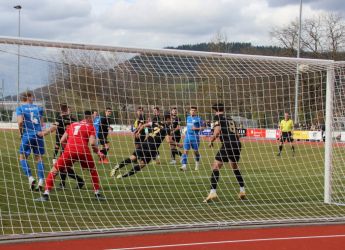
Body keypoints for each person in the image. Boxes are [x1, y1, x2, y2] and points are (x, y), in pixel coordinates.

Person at [35, 111, 106, 202]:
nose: (94, 120)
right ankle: (97, 193)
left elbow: (61, 140)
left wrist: (67, 149)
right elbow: (92, 143)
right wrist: (98, 152)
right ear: (88, 118)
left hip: (69, 150)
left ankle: (45, 195)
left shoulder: (72, 125)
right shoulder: (91, 126)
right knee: (92, 171)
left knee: (54, 171)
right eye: (93, 118)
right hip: (83, 151)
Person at [204, 103, 246, 202]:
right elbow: (236, 134)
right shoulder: (230, 119)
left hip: (228, 144)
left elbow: (217, 131)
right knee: (234, 167)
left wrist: (211, 141)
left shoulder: (217, 117)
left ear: (215, 110)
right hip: (237, 144)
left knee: (215, 166)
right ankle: (242, 190)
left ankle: (212, 192)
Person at [16, 91, 46, 191]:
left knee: (22, 157)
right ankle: (41, 180)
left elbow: (20, 122)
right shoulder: (39, 108)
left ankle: (30, 177)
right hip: (38, 135)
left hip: (27, 135)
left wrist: (20, 132)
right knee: (39, 158)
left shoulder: (20, 108)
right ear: (29, 97)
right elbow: (42, 124)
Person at [52, 103, 84, 189]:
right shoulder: (74, 121)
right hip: (72, 145)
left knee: (62, 166)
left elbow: (56, 134)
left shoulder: (59, 119)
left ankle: (77, 181)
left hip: (65, 146)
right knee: (64, 166)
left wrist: (43, 133)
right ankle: (64, 183)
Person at [180, 106, 204, 171]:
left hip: (195, 137)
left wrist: (196, 128)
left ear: (196, 111)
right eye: (191, 110)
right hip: (187, 137)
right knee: (185, 151)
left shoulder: (199, 118)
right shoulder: (187, 118)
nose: (192, 111)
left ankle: (197, 163)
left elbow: (203, 128)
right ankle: (184, 166)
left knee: (195, 151)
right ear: (190, 111)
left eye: (194, 110)